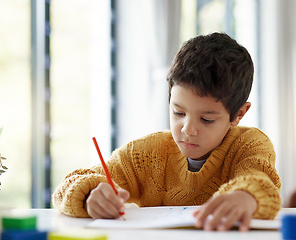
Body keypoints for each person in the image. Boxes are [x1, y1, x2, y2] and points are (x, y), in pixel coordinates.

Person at [52, 32, 281, 231]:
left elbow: (260, 182)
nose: (188, 130)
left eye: (206, 119)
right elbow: (70, 184)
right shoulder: (146, 154)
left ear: (239, 114)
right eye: (178, 113)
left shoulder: (250, 144)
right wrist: (90, 194)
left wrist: (246, 197)